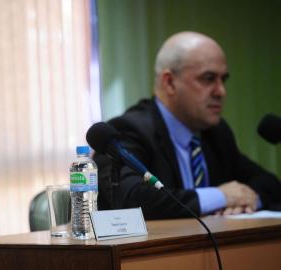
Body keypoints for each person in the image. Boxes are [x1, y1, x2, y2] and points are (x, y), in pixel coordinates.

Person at [94, 31, 281, 219]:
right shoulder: (127, 131)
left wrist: (249, 199)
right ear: (170, 83)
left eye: (223, 80)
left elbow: (269, 182)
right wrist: (220, 197)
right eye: (208, 79)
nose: (221, 91)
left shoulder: (215, 133)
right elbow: (132, 199)